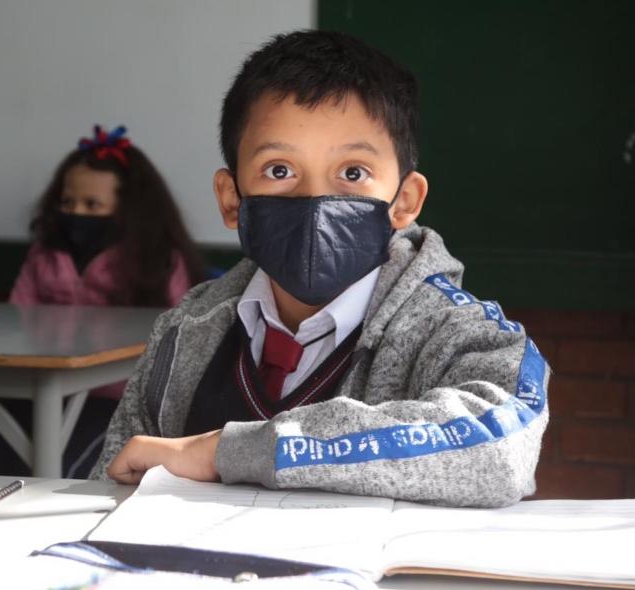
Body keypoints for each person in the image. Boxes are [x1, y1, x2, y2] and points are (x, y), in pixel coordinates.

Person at [90, 32, 550, 507]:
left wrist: (228, 453)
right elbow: (112, 485)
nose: (314, 201)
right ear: (232, 200)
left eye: (352, 173)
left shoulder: (457, 330)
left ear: (404, 201)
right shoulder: (186, 331)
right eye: (279, 170)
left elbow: (501, 448)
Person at [0, 125, 203, 478]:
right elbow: (13, 320)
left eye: (93, 204)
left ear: (129, 210)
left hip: (115, 400)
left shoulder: (158, 261)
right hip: (40, 391)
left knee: (64, 474)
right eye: (68, 202)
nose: (77, 213)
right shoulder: (46, 255)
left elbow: (178, 340)